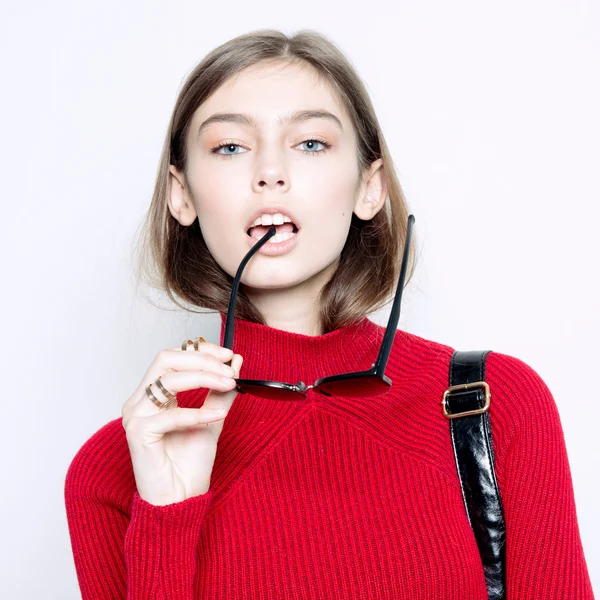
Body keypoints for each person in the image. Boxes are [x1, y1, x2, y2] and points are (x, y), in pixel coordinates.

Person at [64, 28, 595, 599]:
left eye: (311, 143)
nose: (270, 172)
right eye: (230, 147)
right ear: (182, 195)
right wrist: (169, 513)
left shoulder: (495, 402)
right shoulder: (113, 469)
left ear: (371, 187)